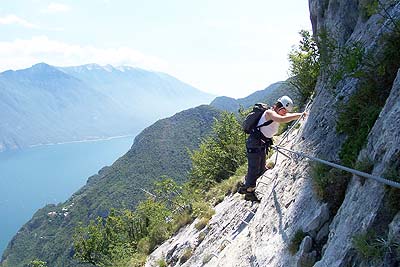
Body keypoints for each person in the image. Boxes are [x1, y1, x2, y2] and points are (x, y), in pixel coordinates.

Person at [238, 96, 307, 202]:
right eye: (284, 111)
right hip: (254, 144)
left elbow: (285, 116)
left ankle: (246, 184)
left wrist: (299, 114)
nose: (285, 113)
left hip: (260, 144)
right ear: (279, 108)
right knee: (254, 169)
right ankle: (248, 190)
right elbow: (282, 119)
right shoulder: (270, 113)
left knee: (261, 169)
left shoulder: (276, 113)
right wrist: (299, 115)